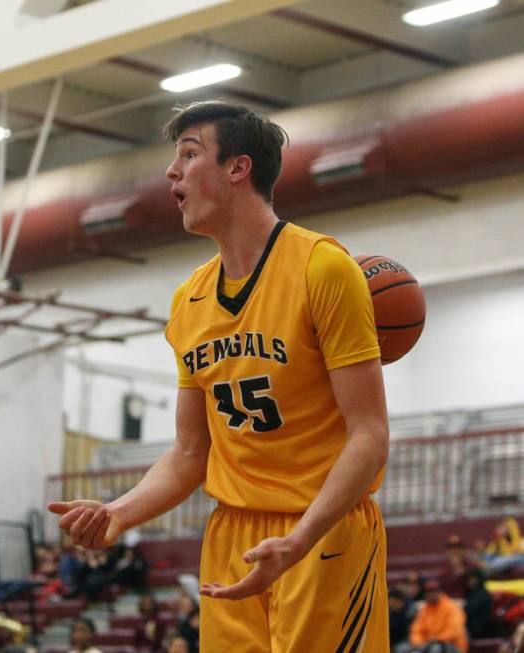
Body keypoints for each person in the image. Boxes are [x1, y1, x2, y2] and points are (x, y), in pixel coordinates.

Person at [48, 100, 390, 652]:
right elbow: (189, 452)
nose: (171, 171)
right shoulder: (190, 300)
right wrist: (118, 513)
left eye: (189, 153)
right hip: (231, 534)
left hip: (320, 528)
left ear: (238, 168)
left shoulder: (324, 269)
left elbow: (370, 435)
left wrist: (300, 540)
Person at [408, 579, 467, 653]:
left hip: (452, 645)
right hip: (429, 644)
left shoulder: (452, 607)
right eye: (428, 592)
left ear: (439, 592)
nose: (431, 595)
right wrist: (419, 643)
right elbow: (416, 630)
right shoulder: (424, 610)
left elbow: (455, 630)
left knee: (436, 649)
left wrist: (436, 640)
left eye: (434, 592)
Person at [463, 568, 493, 639]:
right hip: (469, 627)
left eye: (473, 579)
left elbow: (469, 610)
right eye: (468, 579)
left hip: (479, 630)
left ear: (480, 579)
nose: (470, 581)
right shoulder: (470, 593)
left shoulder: (482, 594)